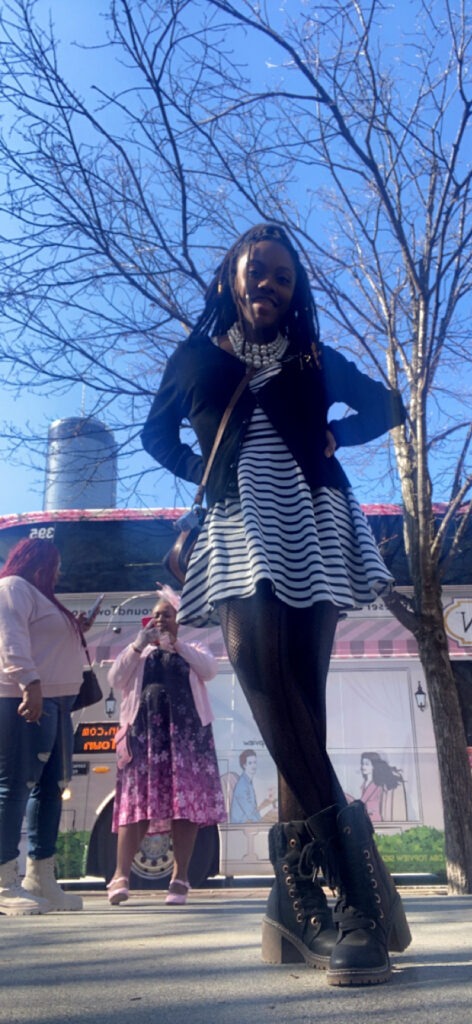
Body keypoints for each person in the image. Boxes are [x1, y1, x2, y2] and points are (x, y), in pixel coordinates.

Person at [141, 222, 411, 985]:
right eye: (256, 271)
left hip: (316, 520)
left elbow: (388, 406)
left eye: (283, 277)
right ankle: (357, 888)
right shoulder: (195, 357)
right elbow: (154, 436)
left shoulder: (314, 356)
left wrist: (338, 437)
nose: (269, 284)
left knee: (303, 704)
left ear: (295, 293)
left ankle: (299, 912)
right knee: (267, 691)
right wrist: (207, 466)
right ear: (231, 277)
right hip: (237, 521)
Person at [106, 589, 226, 906]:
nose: (160, 619)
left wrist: (178, 647)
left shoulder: (191, 647)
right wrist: (138, 645)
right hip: (144, 736)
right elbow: (115, 679)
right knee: (136, 805)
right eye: (156, 615)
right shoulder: (139, 651)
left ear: (178, 621)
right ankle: (120, 876)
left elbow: (210, 670)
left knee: (183, 807)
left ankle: (180, 877)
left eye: (167, 614)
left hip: (187, 737)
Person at [0, 538, 86, 916]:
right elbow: (10, 639)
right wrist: (29, 683)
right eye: (56, 564)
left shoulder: (40, 596)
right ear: (38, 562)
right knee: (16, 785)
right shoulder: (12, 588)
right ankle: (3, 881)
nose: (59, 572)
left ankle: (41, 877)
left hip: (58, 701)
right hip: (25, 697)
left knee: (52, 787)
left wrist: (76, 628)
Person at [360, 751, 405, 823]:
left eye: (366, 764)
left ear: (373, 766)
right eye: (362, 764)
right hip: (365, 818)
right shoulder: (365, 783)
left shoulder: (376, 784)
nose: (363, 767)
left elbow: (361, 802)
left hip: (373, 819)